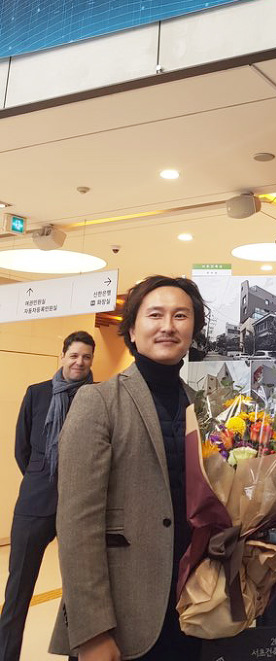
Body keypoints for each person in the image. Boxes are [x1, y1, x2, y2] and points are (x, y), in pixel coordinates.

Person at [49, 275, 207, 661]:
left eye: (181, 315)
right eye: (155, 315)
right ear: (133, 331)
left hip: (192, 606)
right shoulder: (98, 401)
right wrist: (92, 631)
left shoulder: (204, 406)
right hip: (123, 614)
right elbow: (77, 524)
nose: (168, 326)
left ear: (193, 331)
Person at [0, 331, 95, 661]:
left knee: (79, 594)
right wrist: (43, 476)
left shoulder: (98, 396)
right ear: (63, 355)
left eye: (86, 357)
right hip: (35, 501)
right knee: (17, 590)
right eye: (74, 355)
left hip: (80, 505)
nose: (79, 362)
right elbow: (22, 449)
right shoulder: (37, 393)